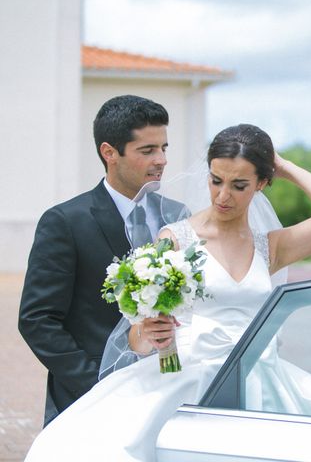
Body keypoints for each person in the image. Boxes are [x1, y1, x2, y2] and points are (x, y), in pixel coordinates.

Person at [24, 124, 311, 461]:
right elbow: (136, 336)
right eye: (216, 180)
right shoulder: (174, 239)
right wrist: (150, 334)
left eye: (239, 185)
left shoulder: (271, 247)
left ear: (262, 184)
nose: (223, 196)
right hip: (186, 377)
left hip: (259, 377)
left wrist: (283, 166)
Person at [18, 95, 187, 426]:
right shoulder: (65, 222)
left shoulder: (179, 216)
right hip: (91, 397)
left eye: (164, 148)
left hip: (169, 389)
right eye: (148, 150)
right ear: (109, 153)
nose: (162, 159)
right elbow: (38, 320)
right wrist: (98, 384)